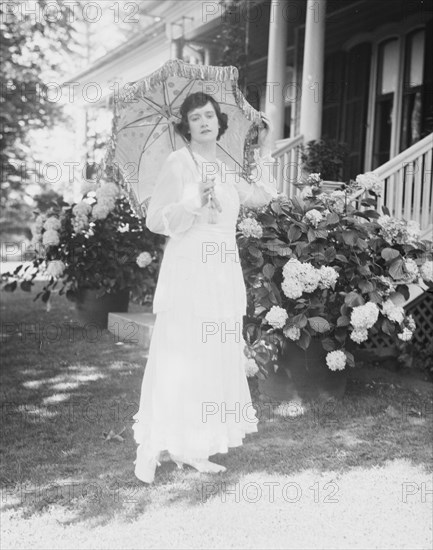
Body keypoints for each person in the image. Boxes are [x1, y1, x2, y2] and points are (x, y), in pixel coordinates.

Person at [132, 92, 278, 483]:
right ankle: (162, 443)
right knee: (182, 353)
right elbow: (156, 219)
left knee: (212, 353)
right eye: (195, 118)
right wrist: (194, 201)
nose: (204, 122)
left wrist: (264, 150)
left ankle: (196, 443)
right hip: (189, 268)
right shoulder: (179, 163)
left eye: (210, 116)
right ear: (186, 126)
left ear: (220, 122)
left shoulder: (226, 170)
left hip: (221, 270)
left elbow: (261, 198)